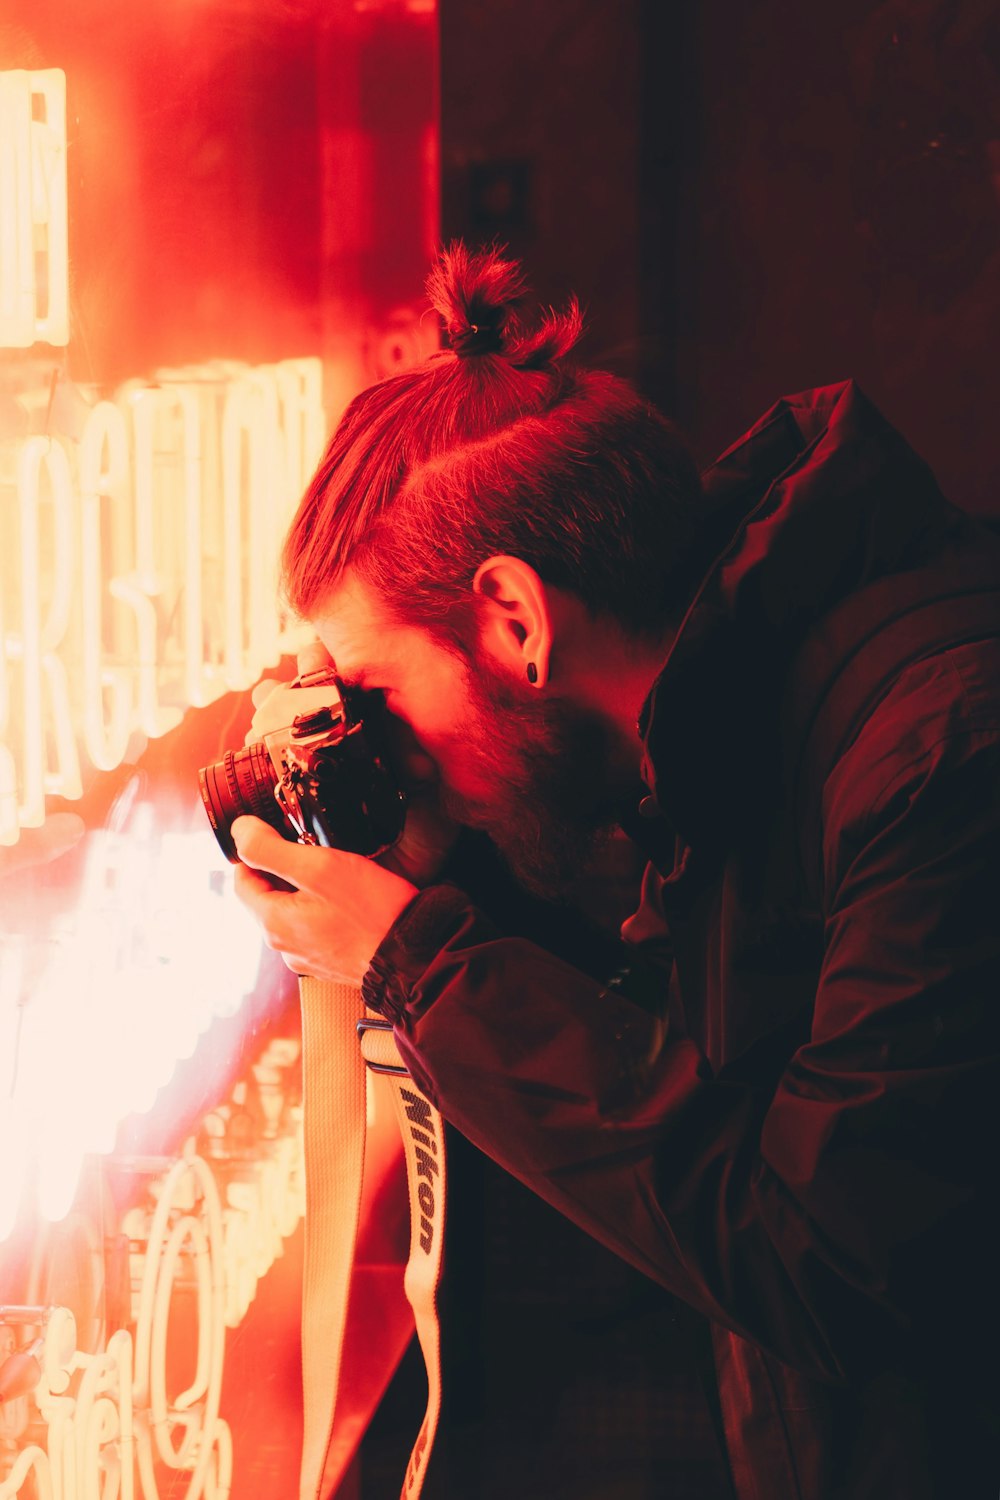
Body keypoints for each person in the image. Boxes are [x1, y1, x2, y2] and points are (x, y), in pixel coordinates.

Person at [231, 243, 1000, 1499]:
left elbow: (833, 1256)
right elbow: (716, 1062)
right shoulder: (745, 711)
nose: (377, 743)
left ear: (515, 620)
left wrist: (419, 968)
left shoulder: (938, 761)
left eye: (374, 691)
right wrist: (443, 905)